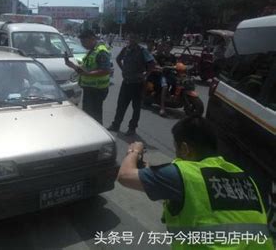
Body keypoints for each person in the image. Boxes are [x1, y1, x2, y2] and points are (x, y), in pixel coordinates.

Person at [117, 116, 273, 250]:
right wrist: (151, 171)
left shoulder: (184, 174)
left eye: (177, 149)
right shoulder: (244, 178)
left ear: (185, 149)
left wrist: (134, 151)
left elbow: (125, 175)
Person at [108, 33, 155, 135]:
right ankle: (116, 125)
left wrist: (146, 75)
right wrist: (123, 69)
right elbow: (118, 59)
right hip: (126, 82)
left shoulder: (143, 51)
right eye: (131, 37)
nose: (132, 39)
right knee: (121, 105)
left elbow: (152, 63)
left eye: (134, 38)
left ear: (138, 39)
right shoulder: (125, 49)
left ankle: (132, 128)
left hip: (137, 84)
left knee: (136, 107)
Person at [65, 29, 111, 124]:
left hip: (97, 89)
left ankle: (98, 135)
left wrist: (88, 74)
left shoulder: (101, 51)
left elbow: (106, 70)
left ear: (92, 39)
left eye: (84, 42)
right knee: (88, 114)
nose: (83, 45)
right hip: (90, 88)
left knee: (95, 116)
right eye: (82, 42)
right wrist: (71, 65)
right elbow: (85, 69)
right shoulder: (91, 51)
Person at [153, 42, 178, 116]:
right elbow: (155, 64)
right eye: (166, 46)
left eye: (169, 47)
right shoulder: (160, 56)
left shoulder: (173, 57)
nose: (167, 48)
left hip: (171, 75)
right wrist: (160, 68)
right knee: (165, 86)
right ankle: (162, 108)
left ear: (171, 48)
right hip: (162, 75)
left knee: (180, 83)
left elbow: (176, 65)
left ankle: (172, 96)